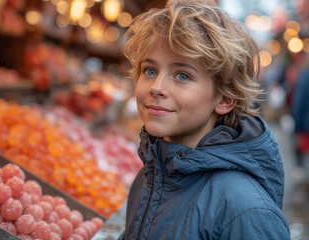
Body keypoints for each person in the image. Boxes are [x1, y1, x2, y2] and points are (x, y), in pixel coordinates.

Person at [121, 0, 291, 239]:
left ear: (224, 99)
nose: (157, 87)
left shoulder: (245, 211)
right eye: (150, 70)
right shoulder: (150, 176)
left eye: (182, 75)